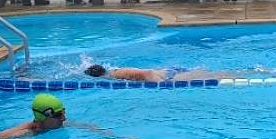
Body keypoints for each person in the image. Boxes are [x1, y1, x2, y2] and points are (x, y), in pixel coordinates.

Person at [84, 64, 263, 82]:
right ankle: (250, 72)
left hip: (167, 76)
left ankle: (254, 72)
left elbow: (147, 73)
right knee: (212, 75)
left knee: (215, 76)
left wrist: (162, 85)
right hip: (169, 72)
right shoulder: (114, 72)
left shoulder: (116, 74)